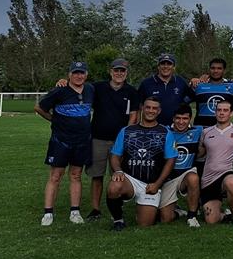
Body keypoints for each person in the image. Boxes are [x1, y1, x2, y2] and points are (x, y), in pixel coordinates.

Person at [35, 61, 96, 225]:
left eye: (82, 73)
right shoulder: (59, 90)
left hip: (82, 141)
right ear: (69, 75)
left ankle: (75, 212)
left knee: (76, 175)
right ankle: (48, 213)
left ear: (86, 74)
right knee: (55, 176)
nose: (79, 76)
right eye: (75, 73)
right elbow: (39, 107)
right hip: (61, 140)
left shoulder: (90, 89)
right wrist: (53, 120)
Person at [105, 95, 174, 231]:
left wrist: (157, 184)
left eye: (154, 108)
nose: (150, 111)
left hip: (151, 184)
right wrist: (118, 171)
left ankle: (151, 209)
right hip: (130, 179)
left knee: (144, 224)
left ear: (159, 111)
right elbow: (115, 155)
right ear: (142, 108)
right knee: (114, 187)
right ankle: (118, 220)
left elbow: (170, 161)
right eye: (148, 107)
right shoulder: (126, 131)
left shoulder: (165, 132)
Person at [85, 57, 141, 221]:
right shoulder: (97, 88)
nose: (119, 73)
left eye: (122, 71)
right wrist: (63, 80)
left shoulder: (131, 91)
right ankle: (95, 209)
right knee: (97, 175)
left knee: (118, 175)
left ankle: (116, 209)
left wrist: (124, 137)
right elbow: (78, 87)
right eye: (116, 70)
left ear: (126, 73)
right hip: (98, 139)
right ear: (110, 71)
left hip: (119, 142)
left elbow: (133, 116)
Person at [197, 98, 233, 225]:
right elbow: (200, 153)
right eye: (219, 110)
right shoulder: (205, 132)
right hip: (209, 179)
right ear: (215, 112)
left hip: (228, 172)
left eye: (225, 110)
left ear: (231, 113)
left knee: (231, 183)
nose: (222, 113)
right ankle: (224, 215)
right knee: (211, 220)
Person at [160, 107, 202, 227]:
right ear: (173, 118)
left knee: (193, 177)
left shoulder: (197, 130)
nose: (181, 122)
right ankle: (178, 212)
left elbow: (217, 130)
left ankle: (192, 215)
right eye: (178, 118)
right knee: (165, 218)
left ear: (190, 119)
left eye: (185, 118)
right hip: (168, 178)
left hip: (186, 174)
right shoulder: (164, 132)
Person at [191, 57, 233, 129]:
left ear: (224, 70)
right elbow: (185, 102)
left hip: (223, 130)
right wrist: (192, 81)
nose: (215, 71)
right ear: (209, 69)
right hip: (201, 129)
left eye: (219, 68)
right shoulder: (199, 86)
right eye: (213, 68)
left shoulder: (232, 86)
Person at [138, 53, 192, 121]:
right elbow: (139, 107)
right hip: (152, 127)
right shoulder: (146, 83)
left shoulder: (180, 82)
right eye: (163, 64)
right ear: (158, 66)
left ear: (174, 67)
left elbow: (190, 98)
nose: (165, 66)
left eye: (169, 64)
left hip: (175, 128)